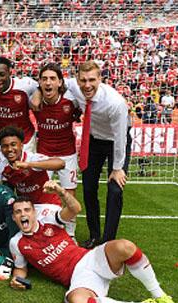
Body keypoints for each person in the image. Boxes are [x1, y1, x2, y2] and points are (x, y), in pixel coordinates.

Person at [8, 184, 178, 303]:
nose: (23, 214)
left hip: (90, 257)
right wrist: (16, 280)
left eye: (27, 210)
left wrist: (61, 192)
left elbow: (75, 209)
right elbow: (20, 269)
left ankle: (160, 296)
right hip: (79, 278)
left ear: (34, 212)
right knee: (77, 302)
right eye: (18, 212)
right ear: (14, 217)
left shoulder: (49, 218)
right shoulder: (17, 243)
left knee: (125, 247)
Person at [64, 61, 130, 248]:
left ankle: (108, 241)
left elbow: (120, 139)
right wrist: (37, 93)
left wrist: (117, 168)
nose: (87, 85)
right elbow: (59, 82)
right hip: (93, 141)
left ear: (100, 79)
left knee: (115, 189)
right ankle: (94, 236)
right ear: (77, 79)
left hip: (116, 142)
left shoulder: (115, 103)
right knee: (88, 188)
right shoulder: (75, 87)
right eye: (83, 80)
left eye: (92, 80)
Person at [0, 126, 73, 236]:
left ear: (21, 145)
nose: (9, 149)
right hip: (25, 208)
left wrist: (29, 165)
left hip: (47, 205)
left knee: (48, 237)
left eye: (13, 144)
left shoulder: (32, 158)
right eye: (5, 146)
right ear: (1, 149)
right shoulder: (2, 166)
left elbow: (60, 164)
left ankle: (69, 237)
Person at [31, 63, 80, 201]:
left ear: (60, 82)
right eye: (44, 79)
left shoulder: (72, 100)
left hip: (68, 154)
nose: (48, 82)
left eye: (52, 78)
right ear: (39, 82)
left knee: (69, 196)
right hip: (43, 155)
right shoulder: (34, 101)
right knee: (41, 193)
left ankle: (70, 223)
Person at [0, 56, 39, 153]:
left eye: (2, 74)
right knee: (4, 168)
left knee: (25, 168)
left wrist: (37, 95)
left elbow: (40, 86)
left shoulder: (25, 85)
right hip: (2, 140)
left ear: (10, 73)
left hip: (26, 140)